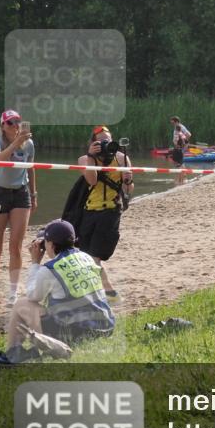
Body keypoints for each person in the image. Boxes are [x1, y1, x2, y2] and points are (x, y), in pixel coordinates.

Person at [0, 219, 114, 365]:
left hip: (76, 335)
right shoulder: (87, 258)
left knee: (22, 304)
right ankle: (18, 352)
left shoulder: (51, 268)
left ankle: (13, 353)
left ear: (51, 244)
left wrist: (35, 263)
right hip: (105, 328)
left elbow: (33, 296)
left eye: (45, 242)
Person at [0, 110, 37, 307]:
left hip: (21, 194)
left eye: (17, 122)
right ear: (3, 125)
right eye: (10, 123)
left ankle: (12, 293)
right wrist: (14, 143)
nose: (15, 126)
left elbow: (31, 168)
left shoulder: (28, 144)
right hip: (0, 193)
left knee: (16, 246)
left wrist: (34, 193)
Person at [78, 125, 133, 303]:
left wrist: (128, 180)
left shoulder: (122, 158)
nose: (104, 143)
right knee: (86, 255)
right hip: (89, 211)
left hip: (110, 210)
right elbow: (92, 180)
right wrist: (91, 156)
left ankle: (108, 292)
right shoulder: (84, 159)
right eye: (100, 141)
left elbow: (129, 189)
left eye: (107, 140)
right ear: (93, 142)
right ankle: (104, 292)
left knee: (94, 256)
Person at [169, 116, 191, 185]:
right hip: (178, 147)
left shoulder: (180, 127)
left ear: (176, 122)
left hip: (179, 147)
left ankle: (181, 179)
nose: (172, 124)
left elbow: (189, 135)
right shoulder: (178, 127)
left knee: (179, 163)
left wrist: (184, 143)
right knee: (179, 162)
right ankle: (183, 177)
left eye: (173, 123)